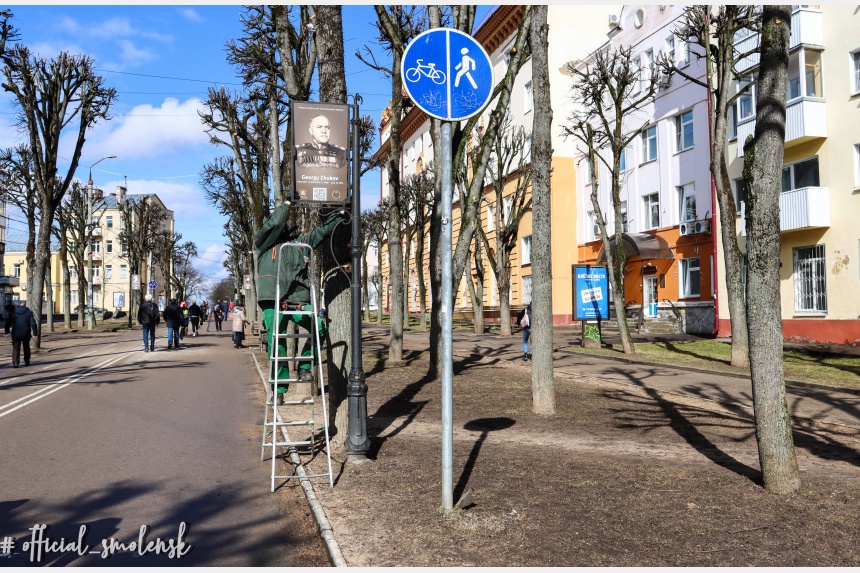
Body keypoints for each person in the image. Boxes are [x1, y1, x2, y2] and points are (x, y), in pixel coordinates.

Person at [255, 197, 346, 399]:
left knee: (319, 327)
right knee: (276, 340)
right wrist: (288, 203)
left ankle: (305, 366)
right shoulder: (264, 244)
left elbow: (321, 232)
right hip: (272, 299)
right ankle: (279, 389)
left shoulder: (299, 245)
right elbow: (276, 223)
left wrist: (339, 214)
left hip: (297, 300)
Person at [9, 302, 38, 368]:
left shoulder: (13, 312)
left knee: (16, 347)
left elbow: (8, 322)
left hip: (16, 333)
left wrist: (7, 331)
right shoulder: (29, 312)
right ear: (25, 305)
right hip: (26, 333)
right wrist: (35, 334)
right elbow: (33, 324)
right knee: (26, 347)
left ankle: (15, 362)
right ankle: (27, 361)